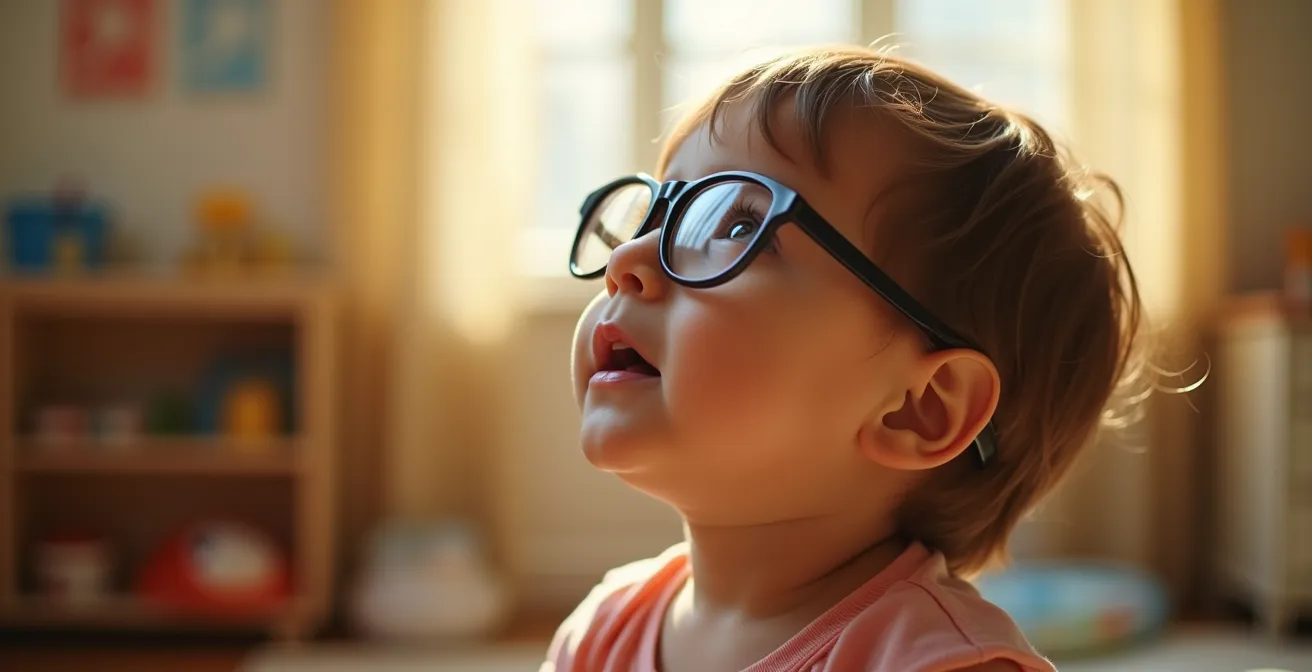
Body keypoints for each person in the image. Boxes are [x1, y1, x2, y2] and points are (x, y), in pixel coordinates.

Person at [543, 45, 1146, 672]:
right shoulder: (600, 634)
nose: (626, 262)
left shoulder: (935, 664)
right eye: (656, 214)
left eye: (736, 225)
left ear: (919, 408)